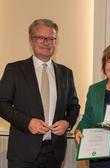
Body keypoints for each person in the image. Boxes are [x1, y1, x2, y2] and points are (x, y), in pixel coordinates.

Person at [0, 19, 80, 168]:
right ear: (31, 40)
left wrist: (67, 123)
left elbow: (74, 106)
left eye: (51, 38)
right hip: (22, 153)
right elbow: (1, 103)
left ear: (55, 42)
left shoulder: (66, 73)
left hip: (54, 153)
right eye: (40, 37)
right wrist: (27, 122)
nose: (46, 42)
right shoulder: (14, 70)